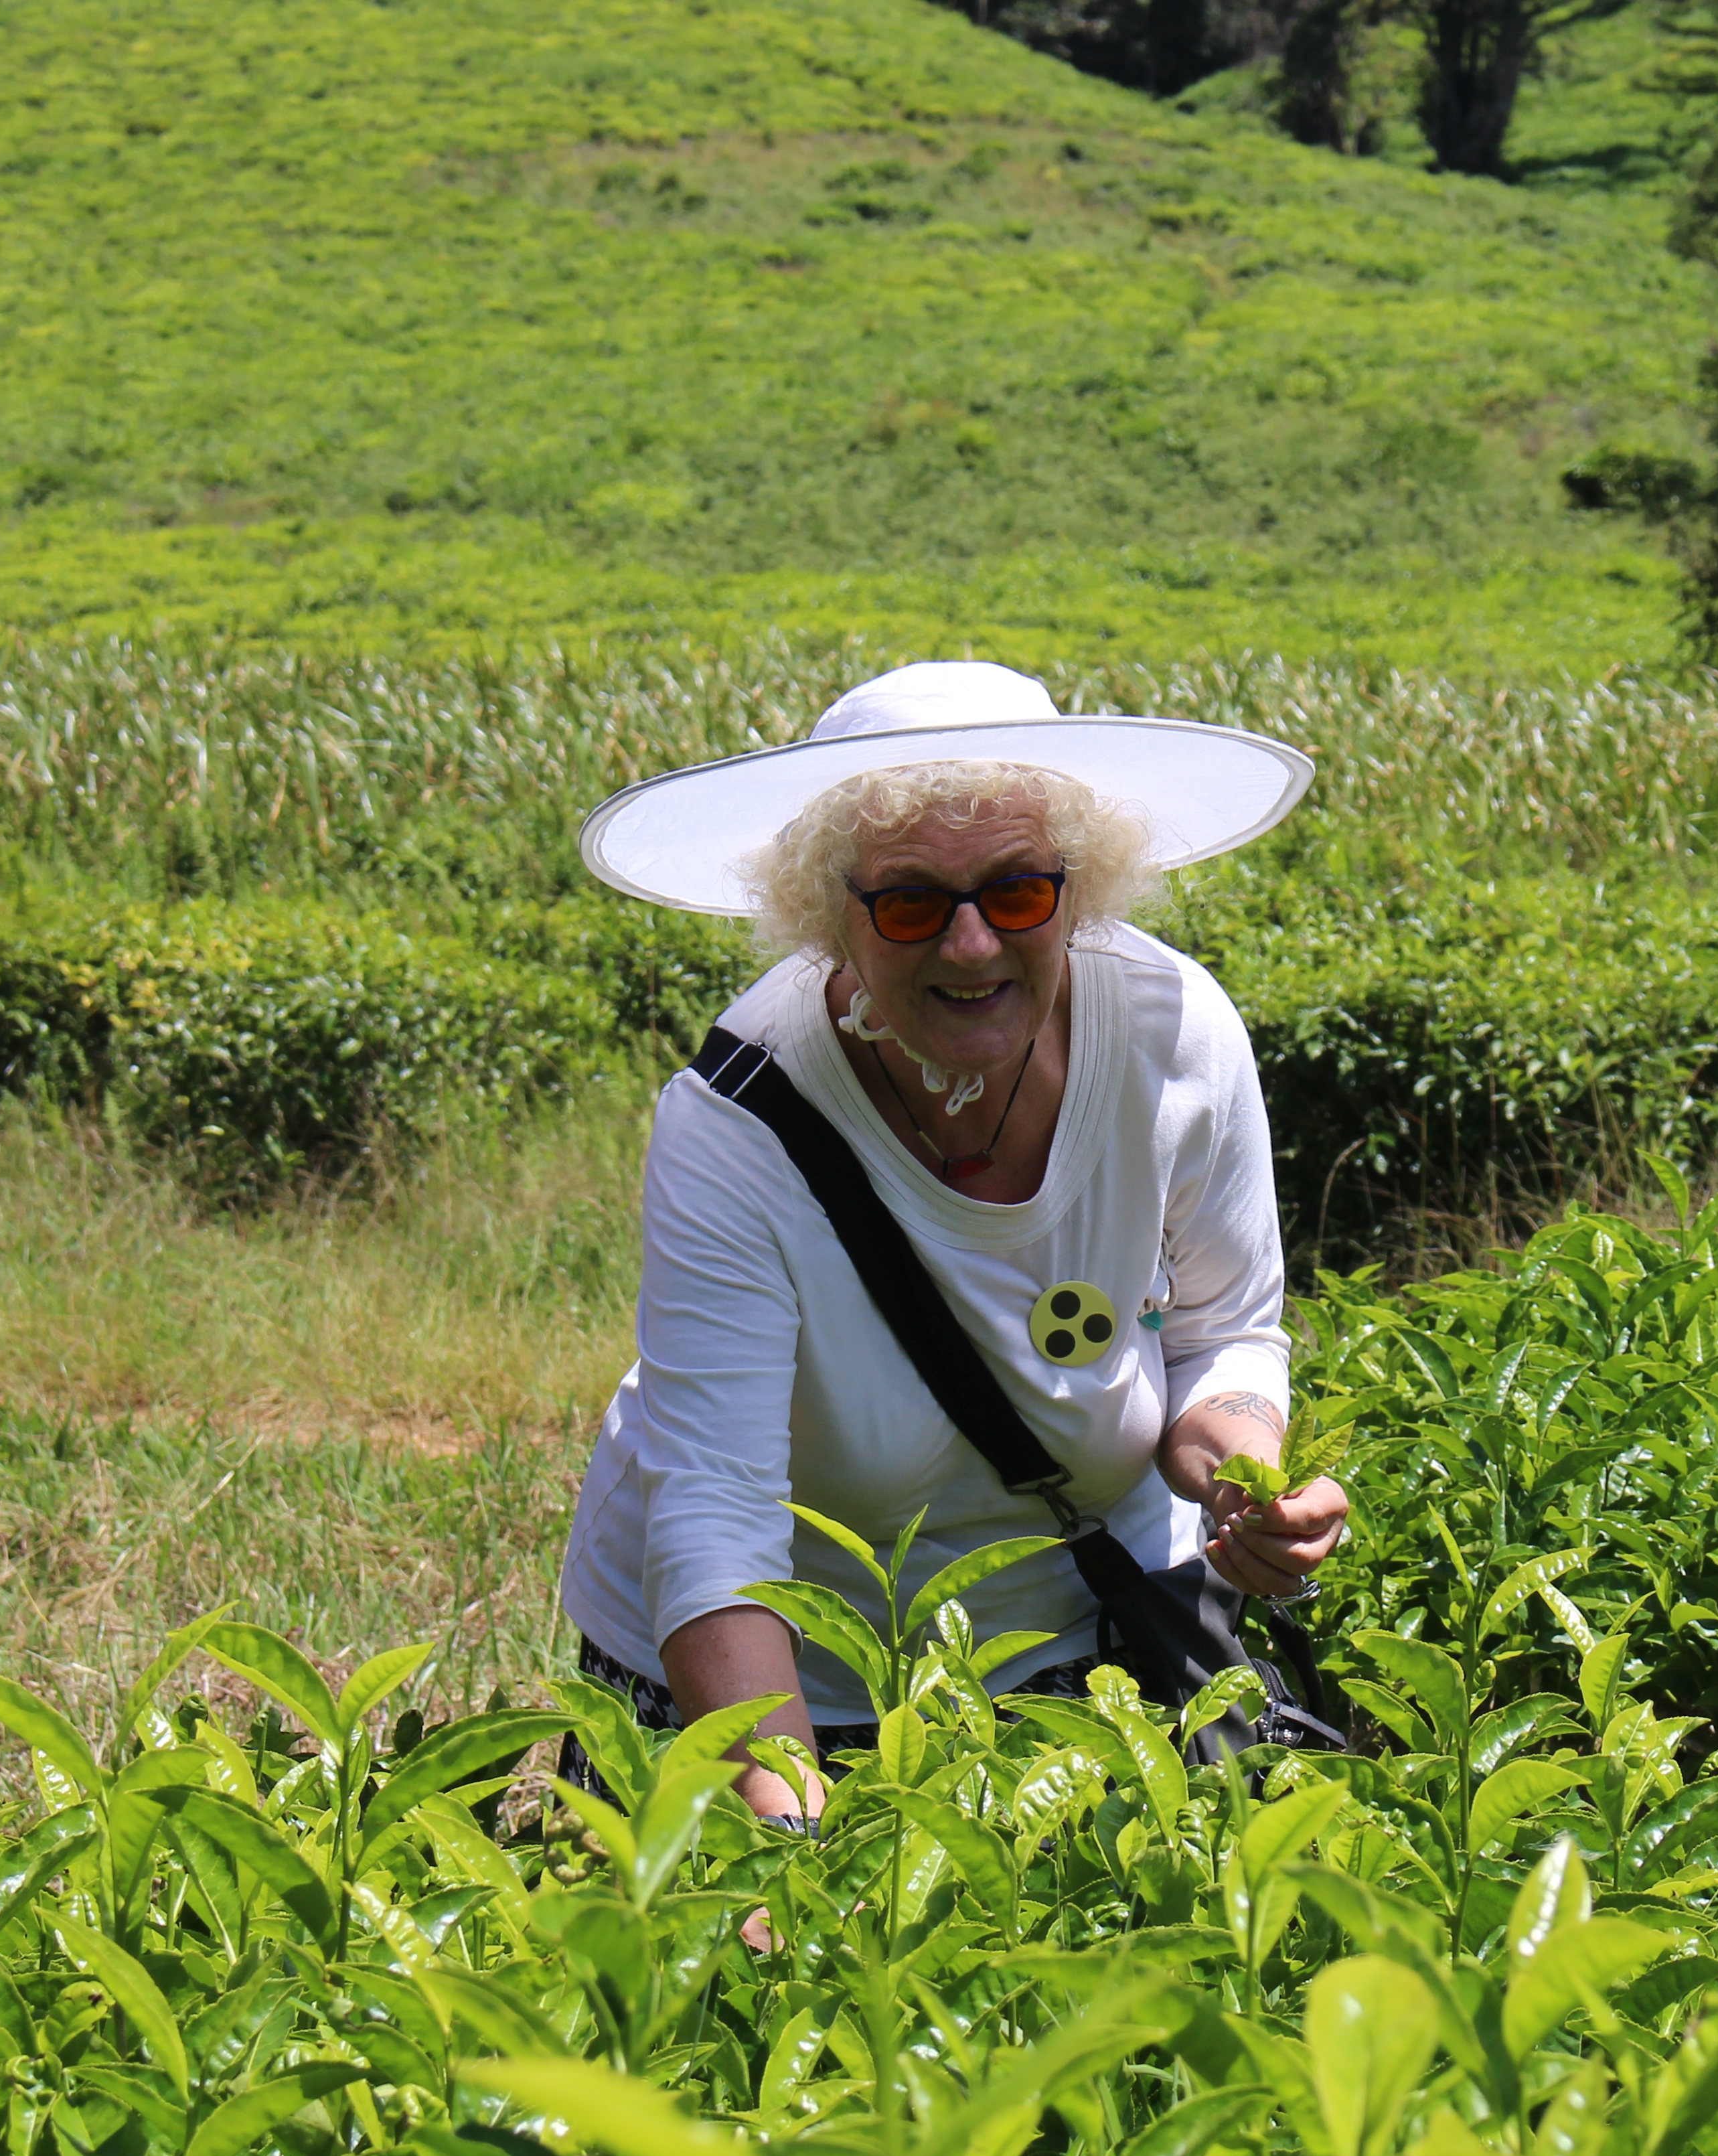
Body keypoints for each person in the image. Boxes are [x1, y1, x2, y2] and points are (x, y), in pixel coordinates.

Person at [557, 660, 1350, 1824]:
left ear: (1077, 891)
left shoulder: (1174, 1035)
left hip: (1090, 1632)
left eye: (1019, 891)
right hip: (784, 1681)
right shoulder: (736, 1122)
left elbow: (1226, 1330)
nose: (973, 946)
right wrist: (786, 1834)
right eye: (915, 902)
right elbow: (716, 1514)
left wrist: (1241, 1474)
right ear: (833, 914)